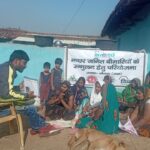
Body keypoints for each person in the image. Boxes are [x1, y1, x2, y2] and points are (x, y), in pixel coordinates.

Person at [0, 50, 57, 136]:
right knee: (31, 106)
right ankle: (39, 126)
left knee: (30, 102)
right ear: (16, 61)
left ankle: (38, 125)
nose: (25, 66)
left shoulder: (6, 67)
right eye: (24, 63)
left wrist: (18, 87)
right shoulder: (8, 71)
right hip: (2, 106)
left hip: (3, 101)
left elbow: (3, 89)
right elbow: (6, 94)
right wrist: (26, 95)